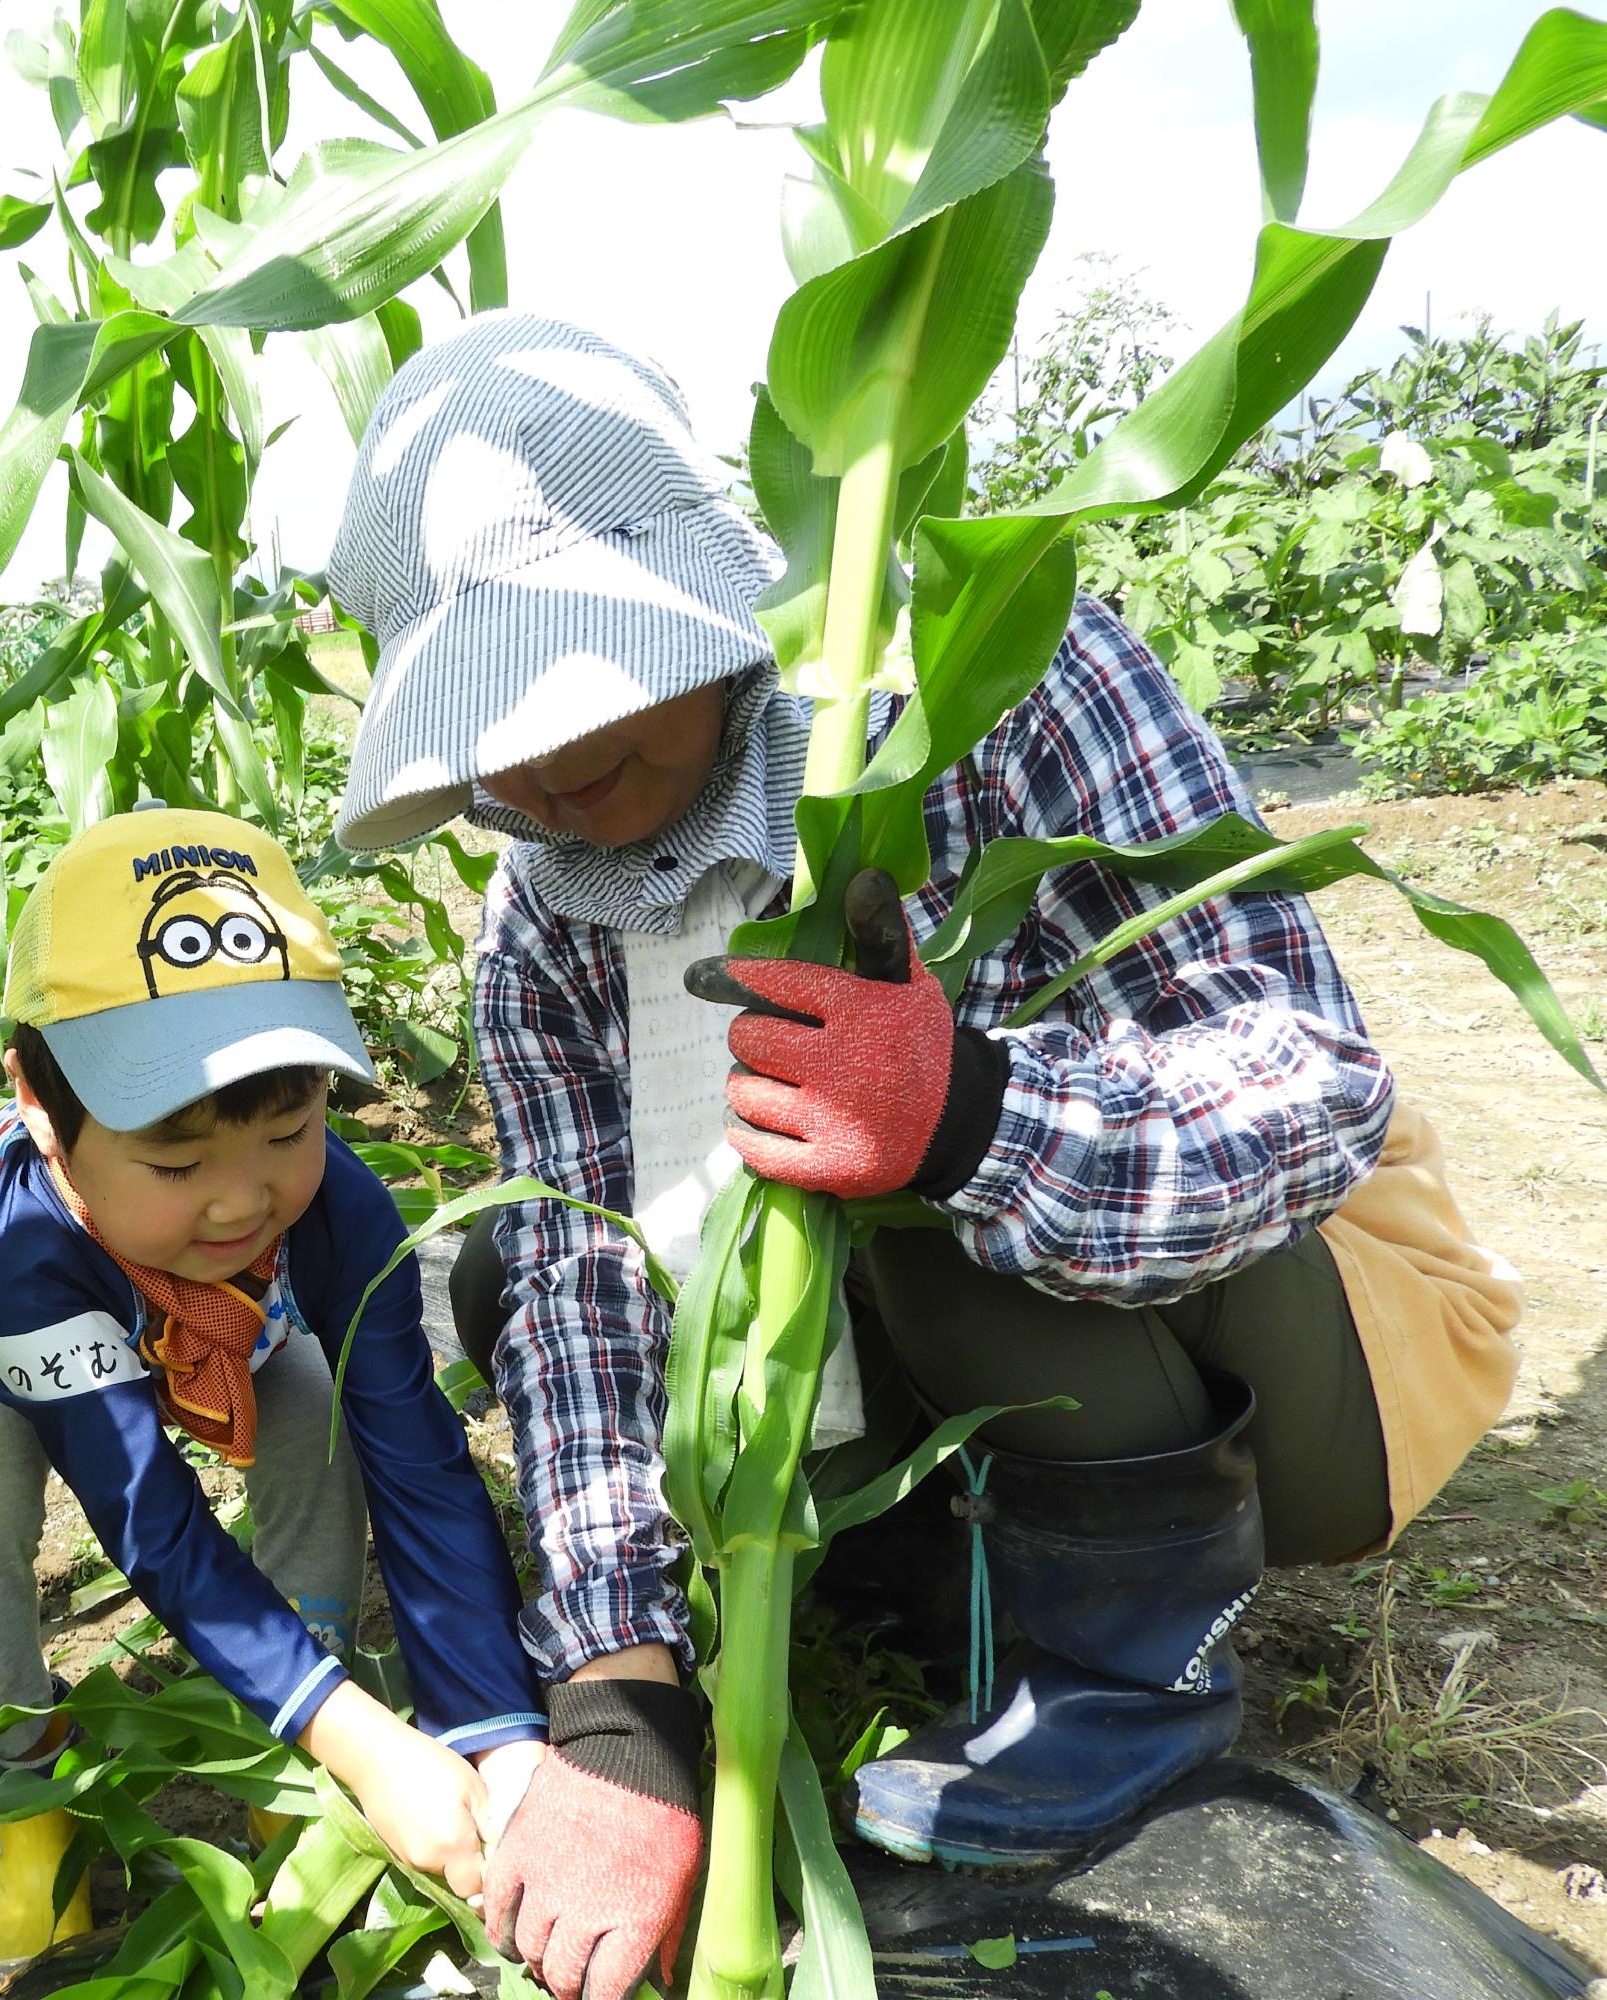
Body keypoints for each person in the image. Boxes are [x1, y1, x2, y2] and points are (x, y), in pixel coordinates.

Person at [325, 314, 1523, 2000]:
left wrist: (976, 1115)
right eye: (490, 715)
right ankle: (926, 1572)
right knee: (514, 1262)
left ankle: (1132, 1673)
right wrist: (621, 1690)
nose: (540, 764)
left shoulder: (1003, 683)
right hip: (963, 1411)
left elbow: (1308, 1087)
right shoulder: (540, 929)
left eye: (582, 673)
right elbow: (594, 1296)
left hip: (1299, 1361)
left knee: (883, 1195)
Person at [0, 805, 546, 1961]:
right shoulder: (21, 1242)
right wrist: (373, 1741)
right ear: (41, 1108)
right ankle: (24, 1795)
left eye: (288, 1130)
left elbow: (418, 1456)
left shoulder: (338, 1208)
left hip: (243, 1324)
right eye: (178, 1160)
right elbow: (145, 1510)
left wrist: (495, 1734)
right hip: (12, 1342)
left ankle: (289, 1747)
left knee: (326, 1411)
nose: (243, 1199)